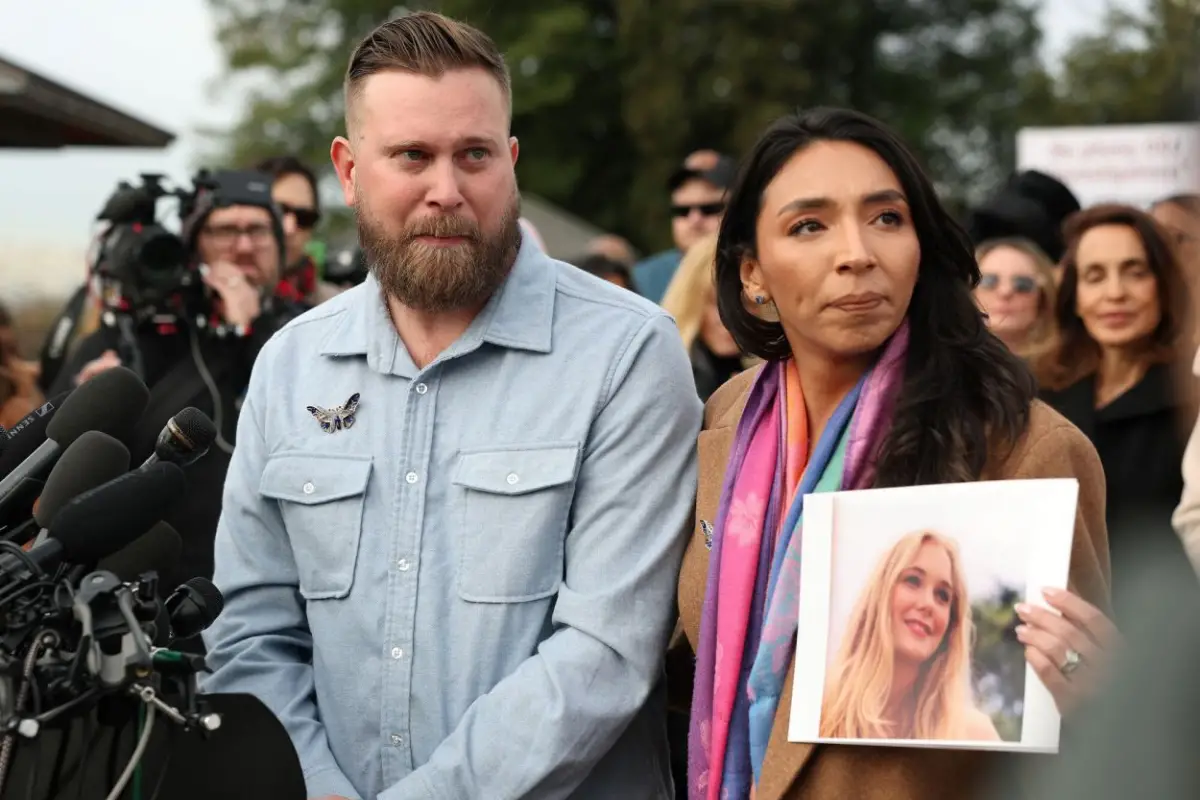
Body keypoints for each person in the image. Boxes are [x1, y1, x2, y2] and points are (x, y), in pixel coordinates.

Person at [201, 12, 701, 800]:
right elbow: (251, 633)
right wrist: (314, 787)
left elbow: (606, 650)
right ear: (350, 169)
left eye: (474, 155)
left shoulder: (626, 354)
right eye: (411, 156)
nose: (447, 190)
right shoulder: (289, 367)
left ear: (510, 160)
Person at [674, 107, 1116, 800]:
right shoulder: (729, 417)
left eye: (886, 218)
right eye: (809, 225)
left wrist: (1101, 699)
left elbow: (1079, 742)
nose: (857, 252)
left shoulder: (1022, 449)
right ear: (752, 274)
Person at [1035, 205, 1195, 614]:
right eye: (1095, 276)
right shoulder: (1036, 394)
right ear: (1074, 295)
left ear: (1164, 284)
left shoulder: (1193, 398)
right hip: (1053, 628)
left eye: (1135, 271)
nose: (1115, 293)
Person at [820, 531, 999, 742]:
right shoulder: (820, 708)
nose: (927, 604)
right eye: (913, 581)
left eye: (942, 595)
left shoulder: (973, 734)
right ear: (880, 593)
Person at [660, 233, 748, 400]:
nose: (729, 319)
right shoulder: (674, 379)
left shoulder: (760, 374)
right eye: (718, 305)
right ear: (690, 304)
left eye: (743, 303)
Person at [973, 237, 1058, 360]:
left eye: (1022, 284)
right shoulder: (942, 364)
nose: (1005, 291)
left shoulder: (1067, 371)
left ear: (1043, 297)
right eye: (989, 281)